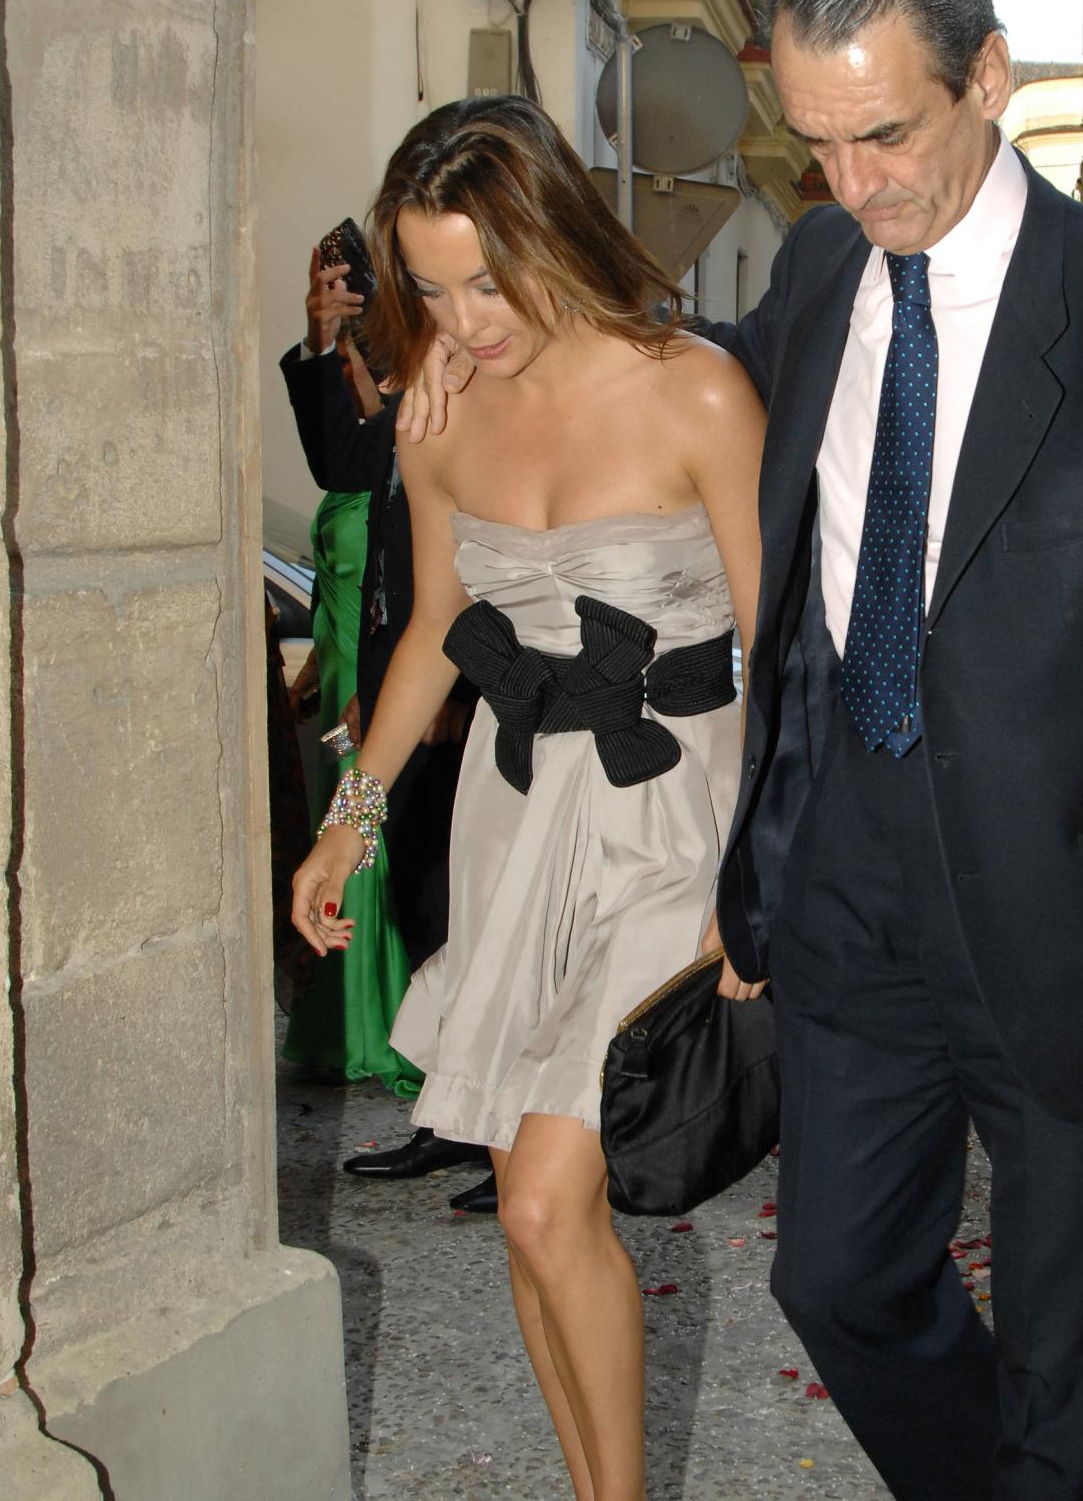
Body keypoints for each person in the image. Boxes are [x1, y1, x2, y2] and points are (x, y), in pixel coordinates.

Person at [408, 0, 1083, 1501]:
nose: (854, 185)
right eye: (817, 144)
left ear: (989, 78)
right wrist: (500, 339)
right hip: (846, 897)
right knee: (837, 1278)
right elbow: (668, 383)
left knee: (1078, 1352)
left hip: (1074, 922)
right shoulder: (818, 270)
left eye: (884, 135)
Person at [290, 94, 765, 1501]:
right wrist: (349, 819)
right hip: (515, 811)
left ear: (551, 230)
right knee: (519, 1212)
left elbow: (780, 632)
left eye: (485, 281)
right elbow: (441, 621)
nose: (463, 319)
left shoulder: (696, 388)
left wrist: (774, 869)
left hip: (674, 812)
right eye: (429, 287)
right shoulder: (439, 415)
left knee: (556, 1196)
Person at [280, 246, 491, 1203]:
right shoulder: (418, 412)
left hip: (481, 712)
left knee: (465, 914)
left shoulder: (492, 396)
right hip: (402, 695)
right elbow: (343, 465)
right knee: (419, 906)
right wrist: (322, 339)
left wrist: (455, 687)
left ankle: (511, 1133)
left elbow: (481, 584)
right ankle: (456, 1117)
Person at [279, 311, 426, 1101]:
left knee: (398, 868)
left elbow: (424, 615)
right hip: (359, 692)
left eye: (350, 370)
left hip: (394, 697)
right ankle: (361, 1028)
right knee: (353, 853)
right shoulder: (371, 461)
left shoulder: (420, 448)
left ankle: (403, 1042)